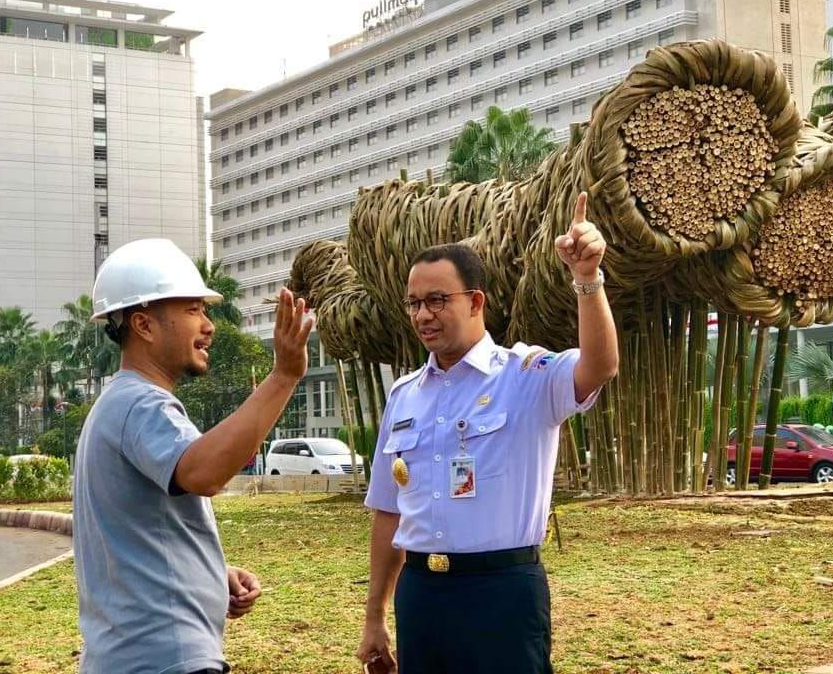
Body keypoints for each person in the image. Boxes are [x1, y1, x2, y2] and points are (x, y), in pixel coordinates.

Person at [357, 193, 619, 674]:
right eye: (414, 303)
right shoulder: (404, 395)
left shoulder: (525, 375)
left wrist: (587, 279)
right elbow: (389, 513)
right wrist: (375, 615)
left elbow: (599, 366)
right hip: (421, 595)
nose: (422, 315)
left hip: (501, 592)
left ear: (475, 301)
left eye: (437, 300)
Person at [73, 238, 313, 674]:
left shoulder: (117, 404)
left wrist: (207, 574)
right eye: (192, 310)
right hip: (163, 656)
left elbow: (140, 535)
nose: (208, 325)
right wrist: (284, 376)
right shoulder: (142, 405)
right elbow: (204, 472)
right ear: (144, 326)